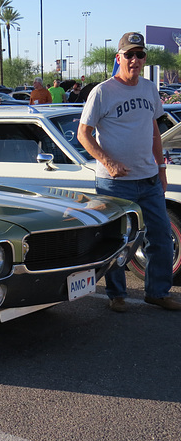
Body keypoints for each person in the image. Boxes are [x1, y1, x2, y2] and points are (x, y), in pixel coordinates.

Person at [77, 31, 181, 312]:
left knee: (160, 237)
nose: (135, 60)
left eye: (140, 55)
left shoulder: (148, 89)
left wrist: (161, 169)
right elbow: (83, 134)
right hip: (114, 183)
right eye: (129, 55)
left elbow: (154, 134)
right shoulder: (102, 91)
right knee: (116, 240)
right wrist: (107, 162)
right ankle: (116, 295)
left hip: (148, 179)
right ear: (118, 57)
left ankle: (157, 292)